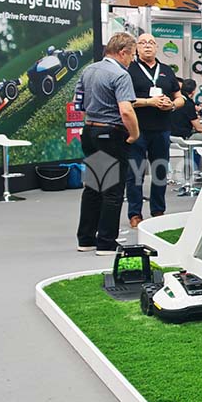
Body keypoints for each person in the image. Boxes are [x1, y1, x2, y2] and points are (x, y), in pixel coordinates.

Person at [76, 32, 140, 255]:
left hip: (90, 131)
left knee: (93, 186)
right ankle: (106, 242)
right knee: (113, 191)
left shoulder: (89, 70)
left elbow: (79, 103)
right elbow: (126, 110)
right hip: (111, 133)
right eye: (132, 55)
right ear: (122, 52)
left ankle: (86, 239)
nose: (132, 59)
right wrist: (134, 134)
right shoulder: (120, 75)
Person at [125, 32, 182, 227]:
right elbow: (125, 101)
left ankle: (158, 210)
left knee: (160, 171)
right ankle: (135, 213)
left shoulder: (166, 70)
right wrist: (149, 102)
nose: (147, 46)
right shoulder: (129, 69)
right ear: (136, 48)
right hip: (137, 129)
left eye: (151, 43)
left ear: (157, 47)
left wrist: (172, 105)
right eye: (143, 43)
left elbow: (180, 98)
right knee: (135, 173)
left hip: (162, 129)